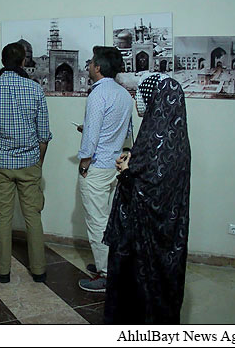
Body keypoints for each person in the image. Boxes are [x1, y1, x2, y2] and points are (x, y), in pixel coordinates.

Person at [103, 73, 191, 324]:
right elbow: (151, 163)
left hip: (147, 240)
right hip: (167, 235)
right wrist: (132, 157)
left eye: (142, 95)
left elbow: (149, 189)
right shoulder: (172, 135)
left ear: (156, 100)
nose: (137, 100)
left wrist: (126, 172)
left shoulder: (159, 137)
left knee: (141, 290)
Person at [0, 42, 52, 284]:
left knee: (2, 218)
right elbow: (44, 135)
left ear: (2, 61)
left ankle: (3, 271)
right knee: (33, 217)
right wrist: (38, 163)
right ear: (23, 62)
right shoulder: (35, 89)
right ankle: (38, 270)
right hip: (29, 162)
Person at [76, 46, 134, 293]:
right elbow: (127, 131)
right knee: (110, 219)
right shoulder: (124, 94)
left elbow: (91, 137)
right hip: (116, 165)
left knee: (97, 221)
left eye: (91, 62)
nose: (88, 66)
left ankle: (106, 275)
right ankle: (110, 264)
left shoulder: (98, 95)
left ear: (98, 67)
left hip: (97, 166)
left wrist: (84, 163)